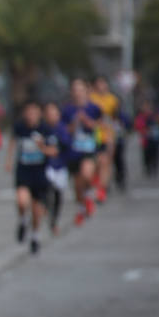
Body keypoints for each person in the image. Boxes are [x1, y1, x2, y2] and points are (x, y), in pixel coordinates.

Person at [7, 101, 55, 254]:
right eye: (28, 112)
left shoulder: (45, 129)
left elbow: (54, 151)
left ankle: (35, 236)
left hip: (40, 173)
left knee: (36, 210)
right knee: (21, 201)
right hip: (24, 170)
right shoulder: (20, 127)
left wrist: (42, 146)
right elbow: (12, 143)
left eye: (34, 112)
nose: (31, 115)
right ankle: (22, 220)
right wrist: (8, 160)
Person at [61, 78, 101, 226]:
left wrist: (87, 121)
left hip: (89, 148)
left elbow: (100, 126)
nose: (77, 93)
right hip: (73, 150)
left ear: (86, 90)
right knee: (77, 185)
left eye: (80, 89)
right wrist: (74, 123)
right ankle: (80, 208)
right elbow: (64, 129)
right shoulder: (67, 110)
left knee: (86, 174)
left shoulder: (94, 108)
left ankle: (90, 195)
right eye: (75, 90)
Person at [88, 76, 120, 197]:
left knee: (105, 161)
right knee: (96, 163)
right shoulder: (91, 99)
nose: (101, 86)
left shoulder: (113, 100)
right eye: (98, 83)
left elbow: (116, 118)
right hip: (94, 135)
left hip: (107, 135)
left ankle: (102, 188)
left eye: (103, 83)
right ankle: (97, 182)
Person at [42, 102, 71, 235]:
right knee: (49, 187)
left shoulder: (62, 129)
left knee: (58, 194)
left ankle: (54, 220)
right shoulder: (42, 129)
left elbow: (65, 146)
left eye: (54, 113)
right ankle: (45, 207)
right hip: (47, 167)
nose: (51, 116)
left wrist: (49, 150)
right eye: (48, 113)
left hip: (60, 166)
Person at [138, 101, 159, 178]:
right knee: (146, 155)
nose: (147, 109)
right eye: (145, 108)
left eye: (148, 108)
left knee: (155, 154)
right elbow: (138, 126)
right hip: (146, 140)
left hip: (155, 139)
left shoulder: (155, 116)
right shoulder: (141, 117)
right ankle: (148, 168)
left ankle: (155, 168)